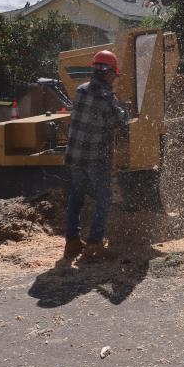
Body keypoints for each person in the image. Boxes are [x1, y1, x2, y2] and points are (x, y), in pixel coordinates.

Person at [62, 49, 129, 260]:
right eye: (113, 75)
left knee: (76, 197)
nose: (113, 79)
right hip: (95, 158)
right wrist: (123, 109)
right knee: (104, 198)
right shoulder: (105, 97)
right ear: (109, 73)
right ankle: (94, 244)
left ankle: (72, 242)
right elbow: (118, 122)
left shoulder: (81, 90)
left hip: (74, 155)